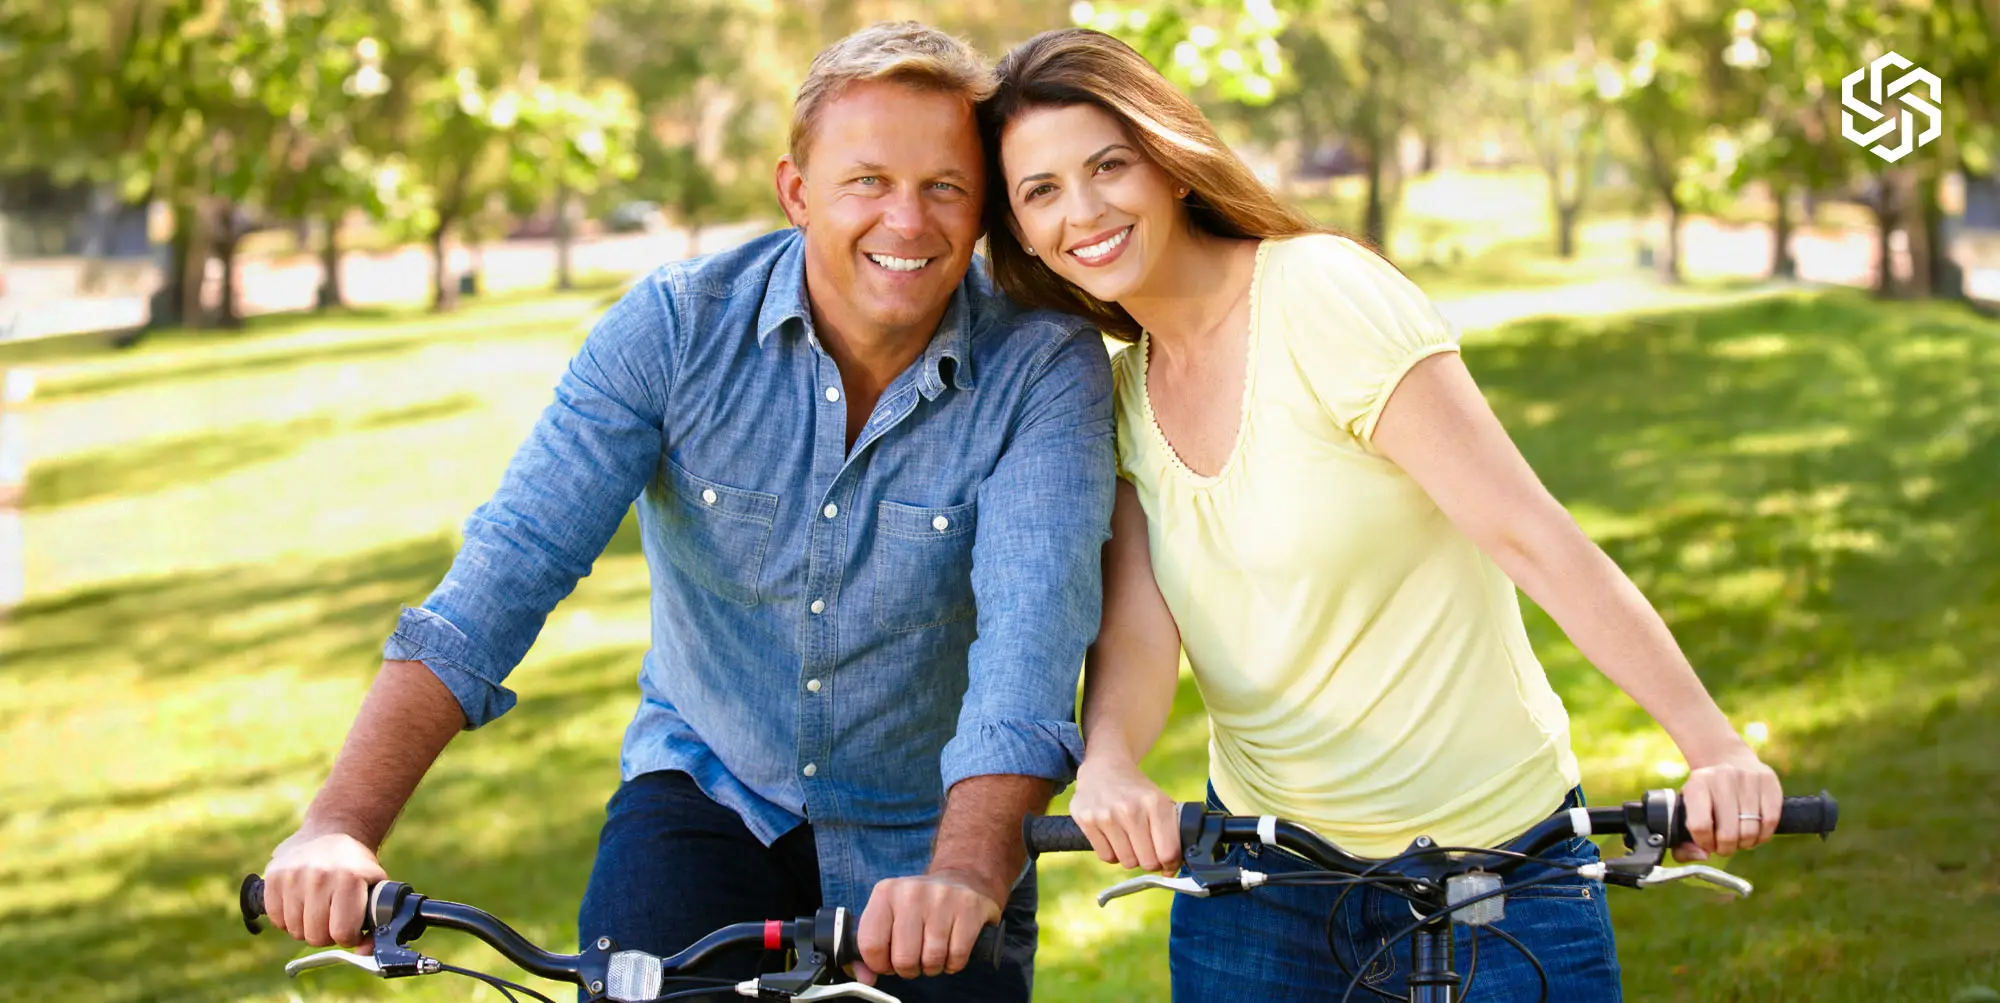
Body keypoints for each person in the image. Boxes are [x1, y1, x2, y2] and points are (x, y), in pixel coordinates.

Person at [257, 23, 1116, 1002]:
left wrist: (965, 872)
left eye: (945, 187)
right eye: (867, 181)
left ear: (983, 207)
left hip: (935, 826)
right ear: (796, 191)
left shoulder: (1042, 367)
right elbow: (509, 567)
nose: (907, 221)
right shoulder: (674, 329)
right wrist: (340, 823)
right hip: (713, 789)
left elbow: (1027, 649)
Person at [978, 27, 1786, 1001]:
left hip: (1497, 865)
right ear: (1022, 231)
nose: (1084, 210)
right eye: (1042, 191)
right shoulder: (1120, 396)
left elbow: (1529, 534)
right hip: (1264, 886)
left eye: (1109, 165)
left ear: (1170, 162)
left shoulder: (1318, 294)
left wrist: (1712, 746)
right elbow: (1143, 636)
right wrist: (1109, 761)